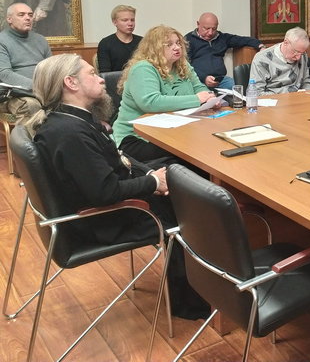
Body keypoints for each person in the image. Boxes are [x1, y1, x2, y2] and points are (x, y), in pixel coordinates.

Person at [27, 54, 209, 319]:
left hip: (107, 202)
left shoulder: (71, 120)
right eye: (92, 74)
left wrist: (152, 175)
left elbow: (118, 158)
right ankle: (194, 301)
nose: (101, 79)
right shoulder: (70, 134)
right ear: (71, 83)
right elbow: (106, 192)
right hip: (105, 220)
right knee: (195, 206)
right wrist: (153, 182)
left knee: (180, 171)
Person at [112, 25, 216, 162]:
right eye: (169, 44)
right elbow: (151, 102)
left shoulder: (182, 64)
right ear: (155, 48)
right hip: (137, 137)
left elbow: (198, 87)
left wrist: (208, 98)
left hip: (175, 130)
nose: (177, 47)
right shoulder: (143, 68)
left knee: (208, 142)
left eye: (178, 43)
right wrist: (197, 99)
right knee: (191, 152)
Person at [185, 12, 263, 90]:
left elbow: (243, 40)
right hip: (199, 80)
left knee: (240, 89)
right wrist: (204, 78)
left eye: (214, 29)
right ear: (198, 24)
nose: (210, 33)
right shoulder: (188, 40)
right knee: (206, 95)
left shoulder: (222, 38)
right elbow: (185, 64)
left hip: (221, 80)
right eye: (207, 28)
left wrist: (260, 46)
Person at [0, 2, 51, 116]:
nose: (28, 18)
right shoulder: (2, 41)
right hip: (13, 95)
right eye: (21, 15)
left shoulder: (41, 40)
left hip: (44, 92)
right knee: (31, 105)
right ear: (9, 19)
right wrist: (37, 88)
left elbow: (51, 69)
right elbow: (4, 74)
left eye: (30, 15)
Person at [249, 26, 310, 94]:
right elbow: (256, 92)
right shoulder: (262, 59)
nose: (298, 57)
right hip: (273, 99)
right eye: (295, 52)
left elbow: (306, 82)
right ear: (286, 43)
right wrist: (287, 96)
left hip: (298, 98)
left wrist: (309, 93)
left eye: (302, 53)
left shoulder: (303, 55)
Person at [96, 4, 142, 72]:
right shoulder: (105, 43)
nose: (130, 24)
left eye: (132, 20)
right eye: (125, 20)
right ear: (115, 22)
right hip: (115, 78)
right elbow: (105, 73)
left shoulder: (142, 42)